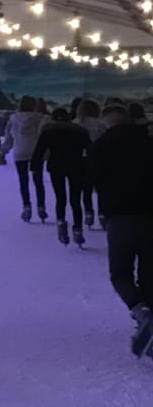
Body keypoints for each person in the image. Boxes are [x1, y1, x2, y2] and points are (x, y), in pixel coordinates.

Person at [85, 105, 153, 358]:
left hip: (119, 216)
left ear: (107, 123)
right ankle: (150, 329)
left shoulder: (101, 146)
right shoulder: (149, 143)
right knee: (149, 277)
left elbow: (89, 179)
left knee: (120, 273)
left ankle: (140, 312)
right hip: (150, 215)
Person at [33, 107, 91, 247]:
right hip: (77, 166)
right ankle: (78, 229)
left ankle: (61, 223)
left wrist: (35, 166)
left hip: (56, 166)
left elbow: (39, 150)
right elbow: (91, 148)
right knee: (75, 199)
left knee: (60, 197)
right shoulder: (80, 131)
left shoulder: (48, 131)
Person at [1, 95, 47, 222]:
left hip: (20, 152)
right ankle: (41, 207)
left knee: (23, 181)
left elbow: (9, 138)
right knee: (38, 181)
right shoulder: (41, 118)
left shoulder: (13, 119)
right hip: (36, 153)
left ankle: (27, 207)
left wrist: (3, 151)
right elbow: (46, 136)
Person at [76, 99, 106, 229]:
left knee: (86, 188)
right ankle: (102, 213)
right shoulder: (101, 124)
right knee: (101, 187)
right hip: (98, 157)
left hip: (81, 158)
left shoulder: (76, 123)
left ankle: (88, 212)